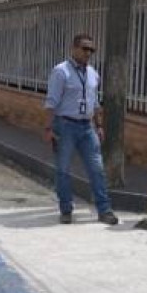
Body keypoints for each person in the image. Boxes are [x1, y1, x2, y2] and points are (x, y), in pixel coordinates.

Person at [43, 34, 119, 225]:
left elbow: (95, 102)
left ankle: (104, 210)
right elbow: (51, 102)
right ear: (74, 49)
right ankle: (66, 209)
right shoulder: (61, 72)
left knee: (97, 169)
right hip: (65, 125)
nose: (88, 53)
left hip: (87, 127)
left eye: (91, 50)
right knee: (63, 170)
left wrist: (99, 125)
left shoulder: (93, 74)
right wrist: (48, 127)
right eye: (85, 49)